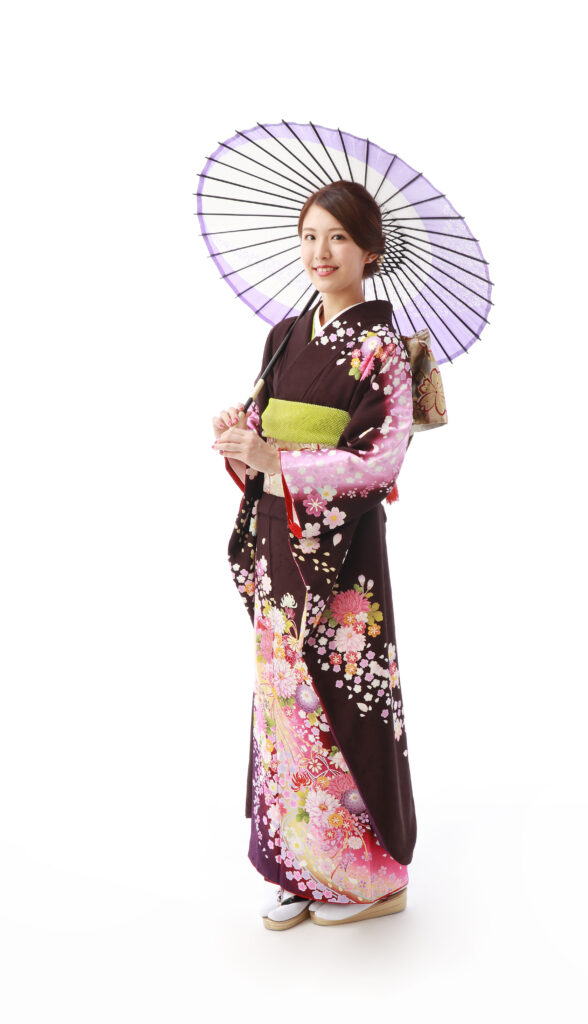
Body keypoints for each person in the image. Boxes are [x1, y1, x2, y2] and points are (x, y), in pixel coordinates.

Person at [212, 181, 418, 930]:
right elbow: (262, 428)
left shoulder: (384, 350)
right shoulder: (285, 334)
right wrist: (242, 433)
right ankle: (298, 866)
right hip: (280, 533)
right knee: (284, 700)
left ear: (370, 251)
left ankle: (370, 879)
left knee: (344, 698)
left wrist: (281, 460)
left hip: (342, 548)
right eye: (309, 237)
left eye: (337, 238)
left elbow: (381, 459)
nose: (319, 253)